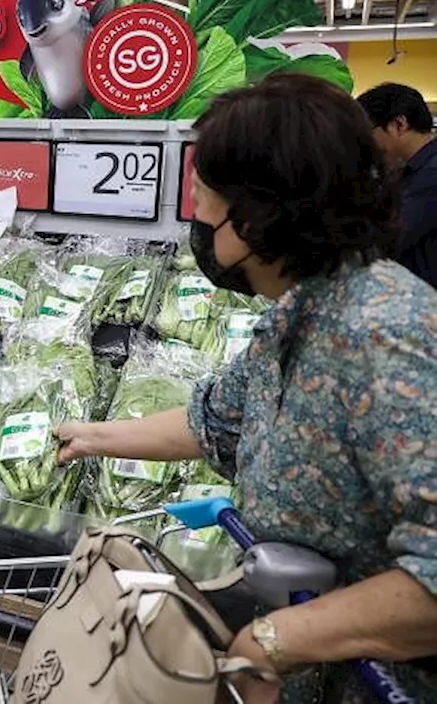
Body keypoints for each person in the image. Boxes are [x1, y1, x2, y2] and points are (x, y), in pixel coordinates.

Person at [55, 75, 437, 704]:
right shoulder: (298, 313)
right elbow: (217, 420)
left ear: (262, 213)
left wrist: (274, 640)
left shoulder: (386, 336)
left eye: (204, 196)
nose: (195, 216)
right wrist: (92, 436)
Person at [355, 82, 437, 289]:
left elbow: (387, 239)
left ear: (399, 125)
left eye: (367, 136)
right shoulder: (408, 172)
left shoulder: (431, 174)